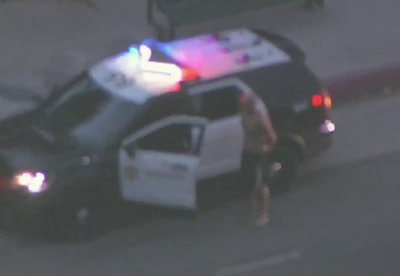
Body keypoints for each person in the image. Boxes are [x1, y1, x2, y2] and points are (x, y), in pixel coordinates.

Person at [239, 93, 278, 226]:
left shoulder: (260, 118)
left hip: (259, 153)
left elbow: (272, 136)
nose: (248, 105)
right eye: (246, 102)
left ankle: (264, 214)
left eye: (250, 103)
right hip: (247, 152)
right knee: (248, 183)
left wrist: (267, 147)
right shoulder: (244, 115)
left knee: (262, 185)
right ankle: (252, 212)